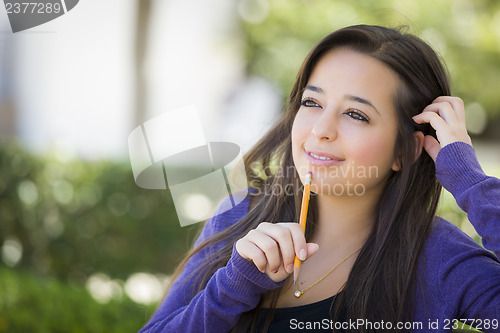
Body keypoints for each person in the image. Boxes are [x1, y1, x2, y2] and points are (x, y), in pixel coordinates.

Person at [139, 25, 500, 333]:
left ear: (404, 151)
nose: (322, 130)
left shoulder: (441, 259)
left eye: (356, 114)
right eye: (312, 103)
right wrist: (232, 287)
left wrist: (469, 181)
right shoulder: (240, 215)